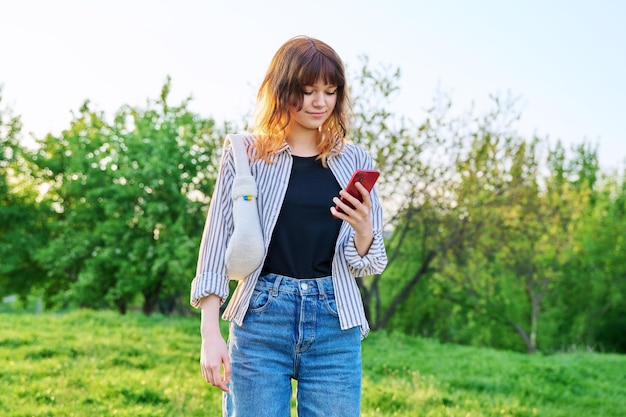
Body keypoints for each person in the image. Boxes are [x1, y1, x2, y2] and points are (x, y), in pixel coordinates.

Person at [190, 35, 388, 417]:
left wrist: (363, 229)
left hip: (335, 319)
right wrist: (209, 334)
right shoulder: (246, 154)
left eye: (330, 92)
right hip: (262, 317)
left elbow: (368, 262)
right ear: (282, 90)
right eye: (308, 90)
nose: (320, 102)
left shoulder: (354, 160)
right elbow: (215, 243)